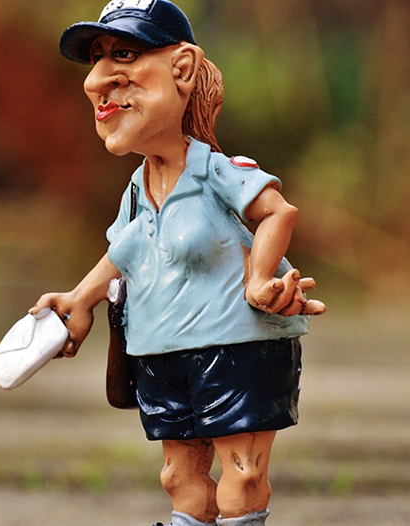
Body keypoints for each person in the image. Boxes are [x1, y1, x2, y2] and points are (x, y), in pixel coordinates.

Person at [29, 1, 325, 525]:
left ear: (181, 69)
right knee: (178, 476)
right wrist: (80, 300)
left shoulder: (215, 171)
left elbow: (278, 211)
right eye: (96, 61)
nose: (97, 80)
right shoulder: (137, 189)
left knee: (242, 470)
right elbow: (124, 250)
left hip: (236, 350)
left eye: (123, 54)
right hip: (161, 354)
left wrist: (260, 279)